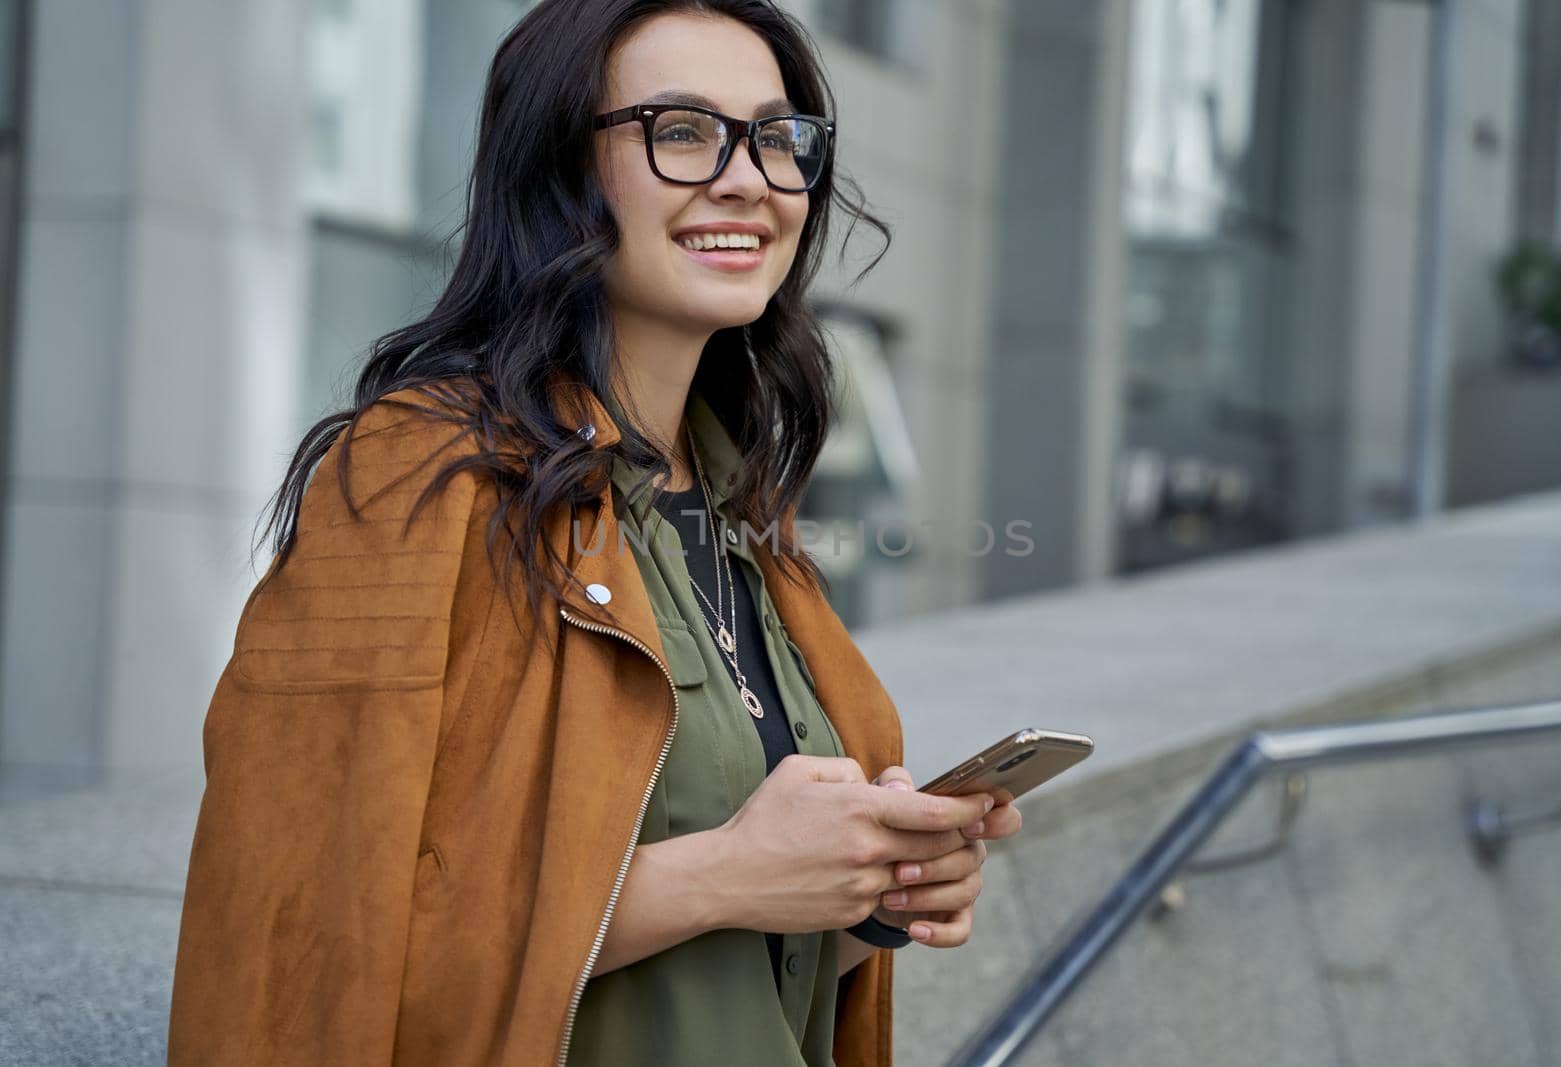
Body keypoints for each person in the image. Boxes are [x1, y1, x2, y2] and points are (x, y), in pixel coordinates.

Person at [167, 2, 1023, 1065]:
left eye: (777, 135)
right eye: (681, 132)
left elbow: (728, 968)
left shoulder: (740, 513)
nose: (747, 178)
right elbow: (303, 940)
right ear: (558, 169)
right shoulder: (418, 476)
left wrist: (865, 893)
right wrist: (722, 871)